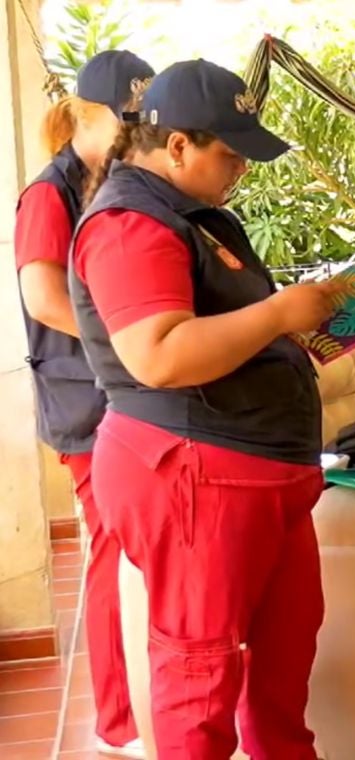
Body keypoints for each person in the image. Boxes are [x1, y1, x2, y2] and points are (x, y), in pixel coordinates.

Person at [69, 59, 340, 759]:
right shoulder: (131, 222)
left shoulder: (194, 215)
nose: (241, 169)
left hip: (258, 474)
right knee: (202, 670)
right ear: (178, 145)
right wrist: (279, 312)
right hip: (196, 472)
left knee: (285, 652)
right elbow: (158, 355)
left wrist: (294, 324)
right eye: (231, 152)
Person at [14, 49, 153, 759]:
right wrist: (128, 335)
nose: (138, 135)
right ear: (87, 117)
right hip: (84, 401)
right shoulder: (49, 194)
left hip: (122, 394)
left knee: (134, 553)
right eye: (127, 122)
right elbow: (42, 298)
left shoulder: (115, 181)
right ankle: (118, 722)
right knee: (113, 555)